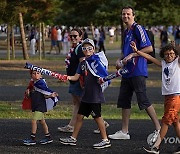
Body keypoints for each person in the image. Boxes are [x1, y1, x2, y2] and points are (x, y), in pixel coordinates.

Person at [108, 6, 161, 140]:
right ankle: (124, 132)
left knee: (143, 99)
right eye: (123, 14)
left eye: (128, 14)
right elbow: (124, 52)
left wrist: (132, 55)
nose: (125, 16)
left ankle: (159, 129)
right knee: (124, 100)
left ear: (133, 15)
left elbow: (149, 48)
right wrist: (120, 60)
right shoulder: (127, 31)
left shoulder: (138, 28)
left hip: (137, 70)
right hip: (127, 71)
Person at [59, 38, 111, 149]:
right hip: (86, 94)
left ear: (93, 49)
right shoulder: (83, 63)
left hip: (94, 95)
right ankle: (73, 138)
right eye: (84, 48)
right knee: (79, 116)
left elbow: (104, 77)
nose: (87, 50)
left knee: (97, 117)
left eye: (89, 48)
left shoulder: (96, 62)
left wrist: (102, 80)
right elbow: (76, 77)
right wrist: (66, 77)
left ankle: (105, 140)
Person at [131, 42, 180, 154]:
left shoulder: (177, 63)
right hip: (167, 97)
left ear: (175, 54)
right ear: (163, 55)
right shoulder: (163, 64)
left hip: (175, 96)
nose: (169, 56)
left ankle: (156, 146)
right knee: (175, 122)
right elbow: (149, 57)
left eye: (172, 53)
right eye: (167, 54)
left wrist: (176, 47)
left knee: (166, 121)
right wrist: (137, 51)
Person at [57, 28, 85, 133]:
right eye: (71, 36)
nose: (72, 38)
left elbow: (83, 64)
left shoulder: (80, 48)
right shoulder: (74, 48)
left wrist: (80, 79)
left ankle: (101, 122)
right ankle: (71, 125)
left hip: (77, 80)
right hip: (72, 79)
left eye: (75, 36)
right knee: (77, 103)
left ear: (80, 37)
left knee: (83, 103)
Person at [23, 70, 59, 145]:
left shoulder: (41, 84)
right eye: (34, 73)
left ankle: (32, 138)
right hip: (36, 105)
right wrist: (28, 94)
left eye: (38, 73)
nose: (36, 75)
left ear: (41, 75)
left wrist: (51, 95)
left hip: (40, 106)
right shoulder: (32, 85)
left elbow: (45, 94)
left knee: (34, 121)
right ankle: (48, 137)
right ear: (31, 75)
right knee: (42, 122)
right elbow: (31, 96)